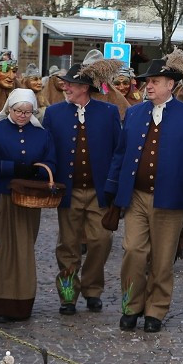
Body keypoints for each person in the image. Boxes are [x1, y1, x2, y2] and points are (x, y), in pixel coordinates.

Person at [105, 58, 183, 333]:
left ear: (170, 84)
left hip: (171, 197)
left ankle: (156, 309)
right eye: (146, 82)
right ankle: (132, 305)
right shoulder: (134, 113)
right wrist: (112, 186)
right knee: (133, 251)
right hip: (136, 196)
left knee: (163, 259)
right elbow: (121, 153)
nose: (147, 86)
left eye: (154, 81)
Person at [44, 63, 121, 315]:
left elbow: (117, 150)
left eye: (71, 84)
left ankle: (92, 289)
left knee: (101, 240)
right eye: (65, 83)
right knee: (68, 245)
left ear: (85, 87)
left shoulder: (108, 112)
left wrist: (114, 186)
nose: (65, 87)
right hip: (69, 190)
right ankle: (68, 295)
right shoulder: (54, 114)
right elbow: (48, 150)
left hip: (98, 191)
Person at [0, 89, 55, 323]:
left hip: (28, 200)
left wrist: (37, 170)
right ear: (8, 109)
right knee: (0, 249)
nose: (22, 115)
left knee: (23, 250)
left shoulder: (43, 135)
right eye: (17, 111)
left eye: (27, 111)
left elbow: (52, 162)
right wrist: (12, 169)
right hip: (2, 196)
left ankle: (21, 302)